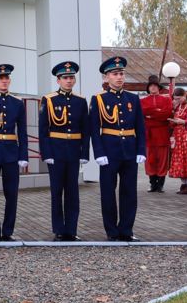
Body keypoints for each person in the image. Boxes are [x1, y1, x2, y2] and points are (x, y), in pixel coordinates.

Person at [89, 56, 147, 241]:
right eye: (115, 74)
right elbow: (94, 129)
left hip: (129, 151)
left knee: (129, 192)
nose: (119, 77)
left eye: (121, 73)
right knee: (108, 193)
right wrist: (98, 153)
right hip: (109, 151)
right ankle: (112, 231)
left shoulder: (133, 98)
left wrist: (141, 151)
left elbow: (140, 127)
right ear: (106, 78)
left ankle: (127, 230)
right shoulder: (98, 99)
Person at [37, 61, 89, 241]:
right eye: (65, 78)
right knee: (57, 191)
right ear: (58, 80)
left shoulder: (81, 101)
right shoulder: (49, 100)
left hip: (74, 151)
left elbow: (85, 129)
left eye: (71, 77)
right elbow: (43, 130)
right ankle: (59, 229)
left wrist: (84, 154)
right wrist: (47, 153)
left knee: (73, 192)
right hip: (56, 151)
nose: (69, 80)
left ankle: (72, 230)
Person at [0, 64, 29, 241]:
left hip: (11, 152)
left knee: (12, 193)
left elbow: (22, 131)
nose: (4, 81)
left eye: (6, 78)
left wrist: (23, 155)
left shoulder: (17, 103)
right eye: (0, 78)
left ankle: (7, 231)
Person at [141, 75, 173, 192]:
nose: (153, 88)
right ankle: (152, 183)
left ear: (159, 88)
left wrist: (151, 115)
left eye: (155, 86)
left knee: (162, 159)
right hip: (149, 134)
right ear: (148, 88)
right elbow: (142, 113)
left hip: (162, 133)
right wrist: (157, 112)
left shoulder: (167, 99)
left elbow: (167, 114)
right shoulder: (143, 101)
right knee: (150, 160)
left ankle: (160, 185)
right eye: (151, 86)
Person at [168, 88, 187, 193]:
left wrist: (184, 122)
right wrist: (172, 121)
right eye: (176, 98)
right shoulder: (177, 107)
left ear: (185, 95)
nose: (178, 100)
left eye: (179, 98)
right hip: (178, 136)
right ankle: (183, 184)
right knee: (179, 160)